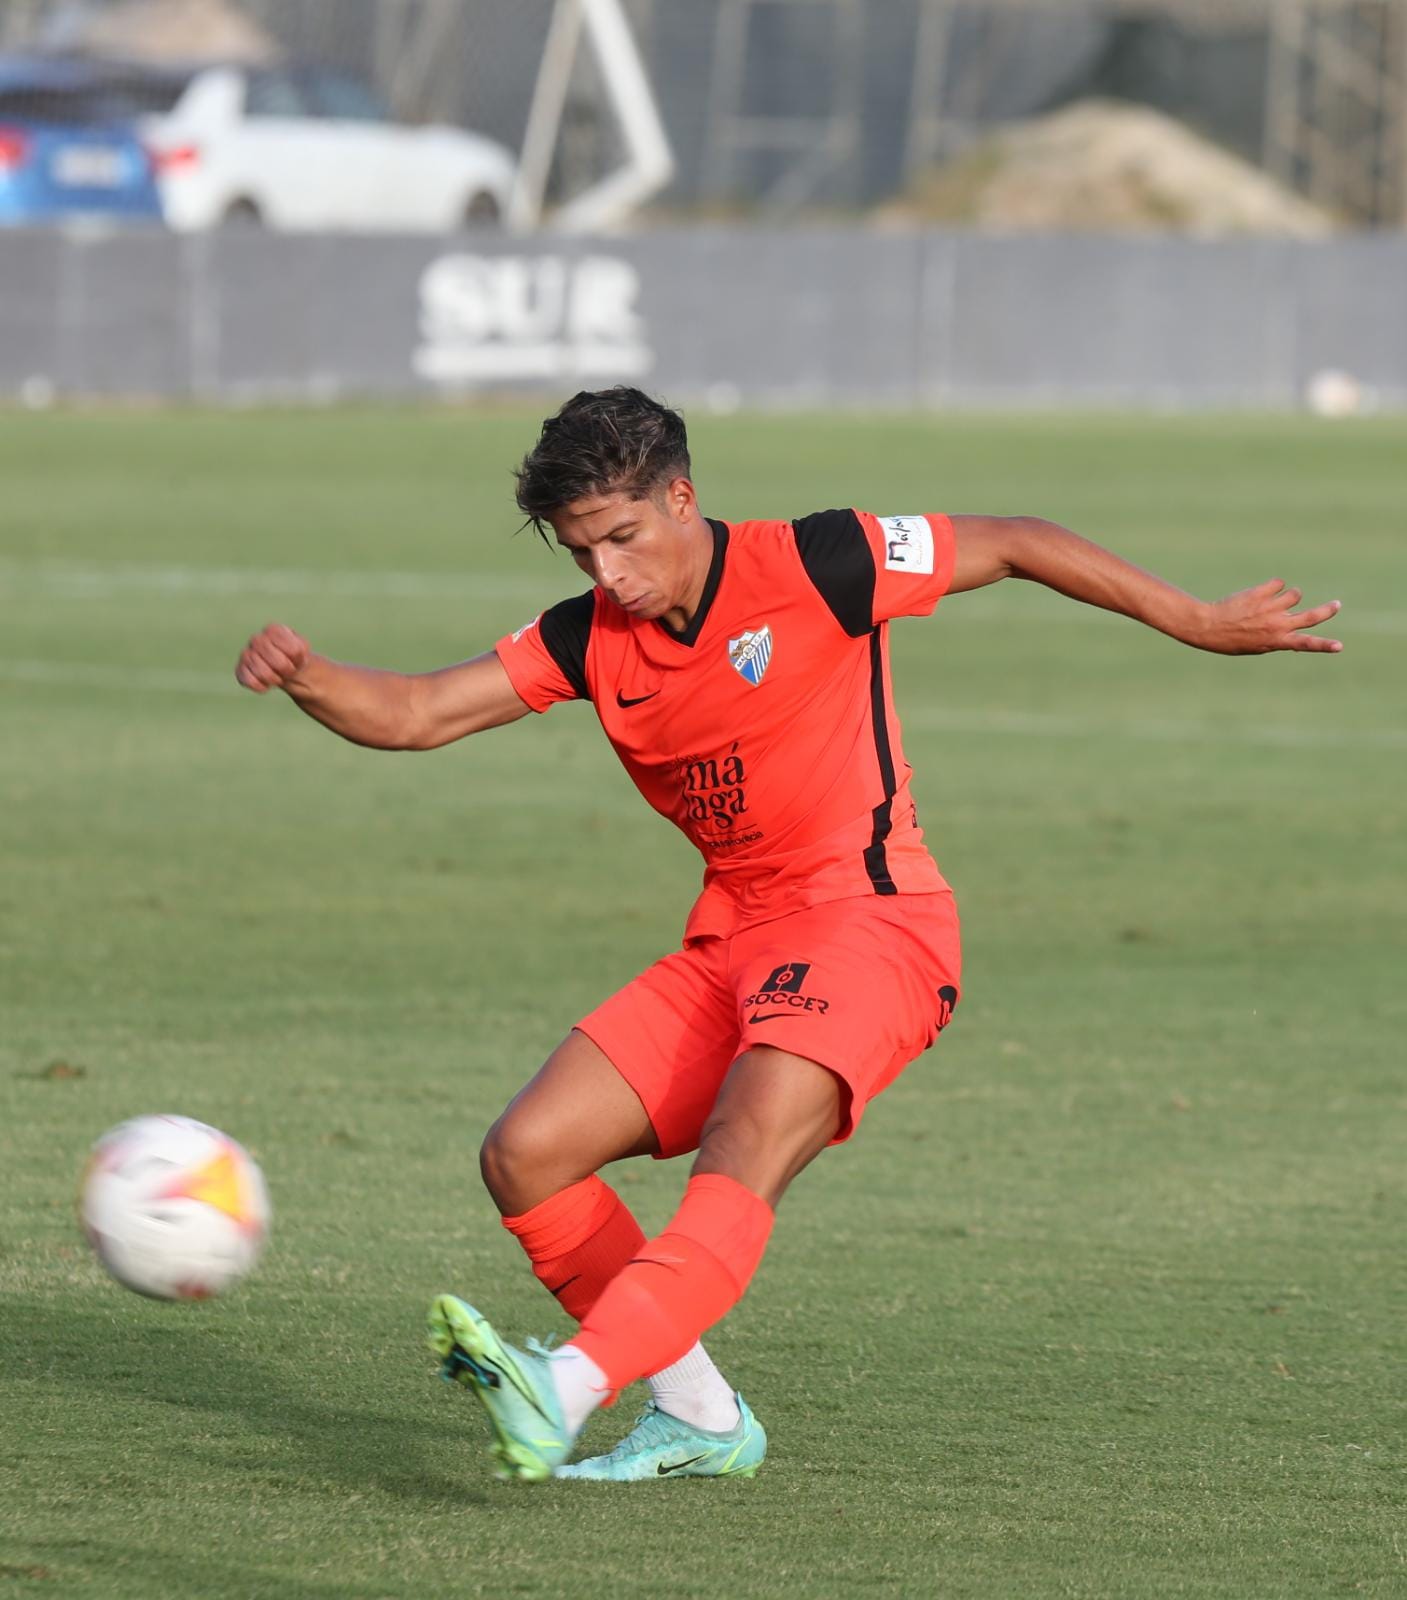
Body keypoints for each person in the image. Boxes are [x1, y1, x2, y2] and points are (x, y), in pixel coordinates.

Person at [235, 386, 1342, 1484]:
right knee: (528, 1155)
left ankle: (564, 1387)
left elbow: (1012, 540)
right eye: (581, 554)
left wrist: (1197, 620)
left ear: (682, 497)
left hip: (874, 923)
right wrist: (309, 677)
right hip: (734, 941)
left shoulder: (821, 561)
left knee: (745, 1139)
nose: (608, 575)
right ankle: (702, 1418)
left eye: (622, 538)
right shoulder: (590, 636)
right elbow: (420, 712)